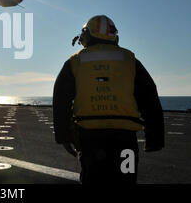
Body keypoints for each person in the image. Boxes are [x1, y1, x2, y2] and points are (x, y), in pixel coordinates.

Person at [53, 15, 164, 184]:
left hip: (89, 138)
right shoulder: (130, 60)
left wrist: (63, 136)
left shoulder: (75, 61)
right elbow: (150, 98)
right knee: (126, 180)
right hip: (125, 139)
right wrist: (155, 139)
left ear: (86, 35)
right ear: (115, 37)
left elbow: (61, 99)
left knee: (93, 180)